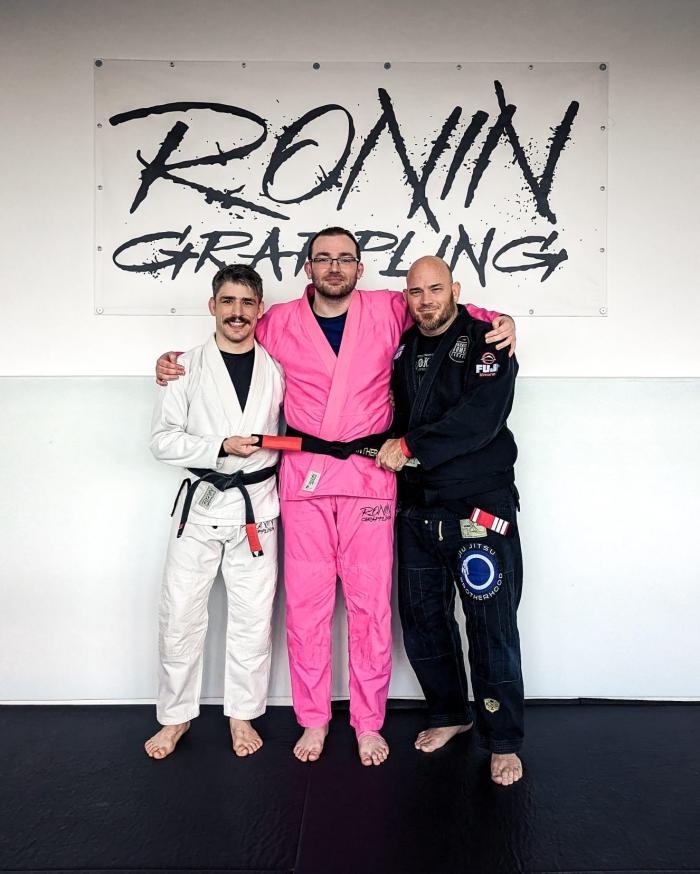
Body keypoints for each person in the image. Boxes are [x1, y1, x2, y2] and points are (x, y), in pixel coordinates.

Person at [155, 228, 515, 766]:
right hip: (305, 478)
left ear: (359, 268)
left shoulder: (388, 308)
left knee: (370, 607)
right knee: (306, 608)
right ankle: (314, 718)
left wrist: (498, 320)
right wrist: (173, 362)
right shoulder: (277, 320)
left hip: (371, 473)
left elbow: (443, 310)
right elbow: (230, 340)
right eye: (323, 258)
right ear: (308, 268)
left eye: (345, 258)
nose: (334, 267)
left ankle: (368, 722)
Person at [376, 256, 524, 785]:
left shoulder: (489, 341)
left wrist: (410, 445)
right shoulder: (402, 348)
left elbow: (480, 419)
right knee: (422, 619)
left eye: (435, 289)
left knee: (490, 623)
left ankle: (502, 740)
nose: (426, 301)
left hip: (477, 505)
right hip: (417, 506)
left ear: (455, 290)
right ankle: (450, 713)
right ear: (406, 297)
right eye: (416, 292)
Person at [145, 264, 284, 760]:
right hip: (199, 508)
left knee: (253, 617)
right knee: (180, 614)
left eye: (247, 303)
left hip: (257, 506)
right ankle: (175, 716)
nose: (237, 312)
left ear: (260, 309)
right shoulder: (184, 366)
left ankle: (242, 714)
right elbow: (162, 441)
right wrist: (218, 446)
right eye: (228, 301)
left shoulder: (277, 368)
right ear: (213, 306)